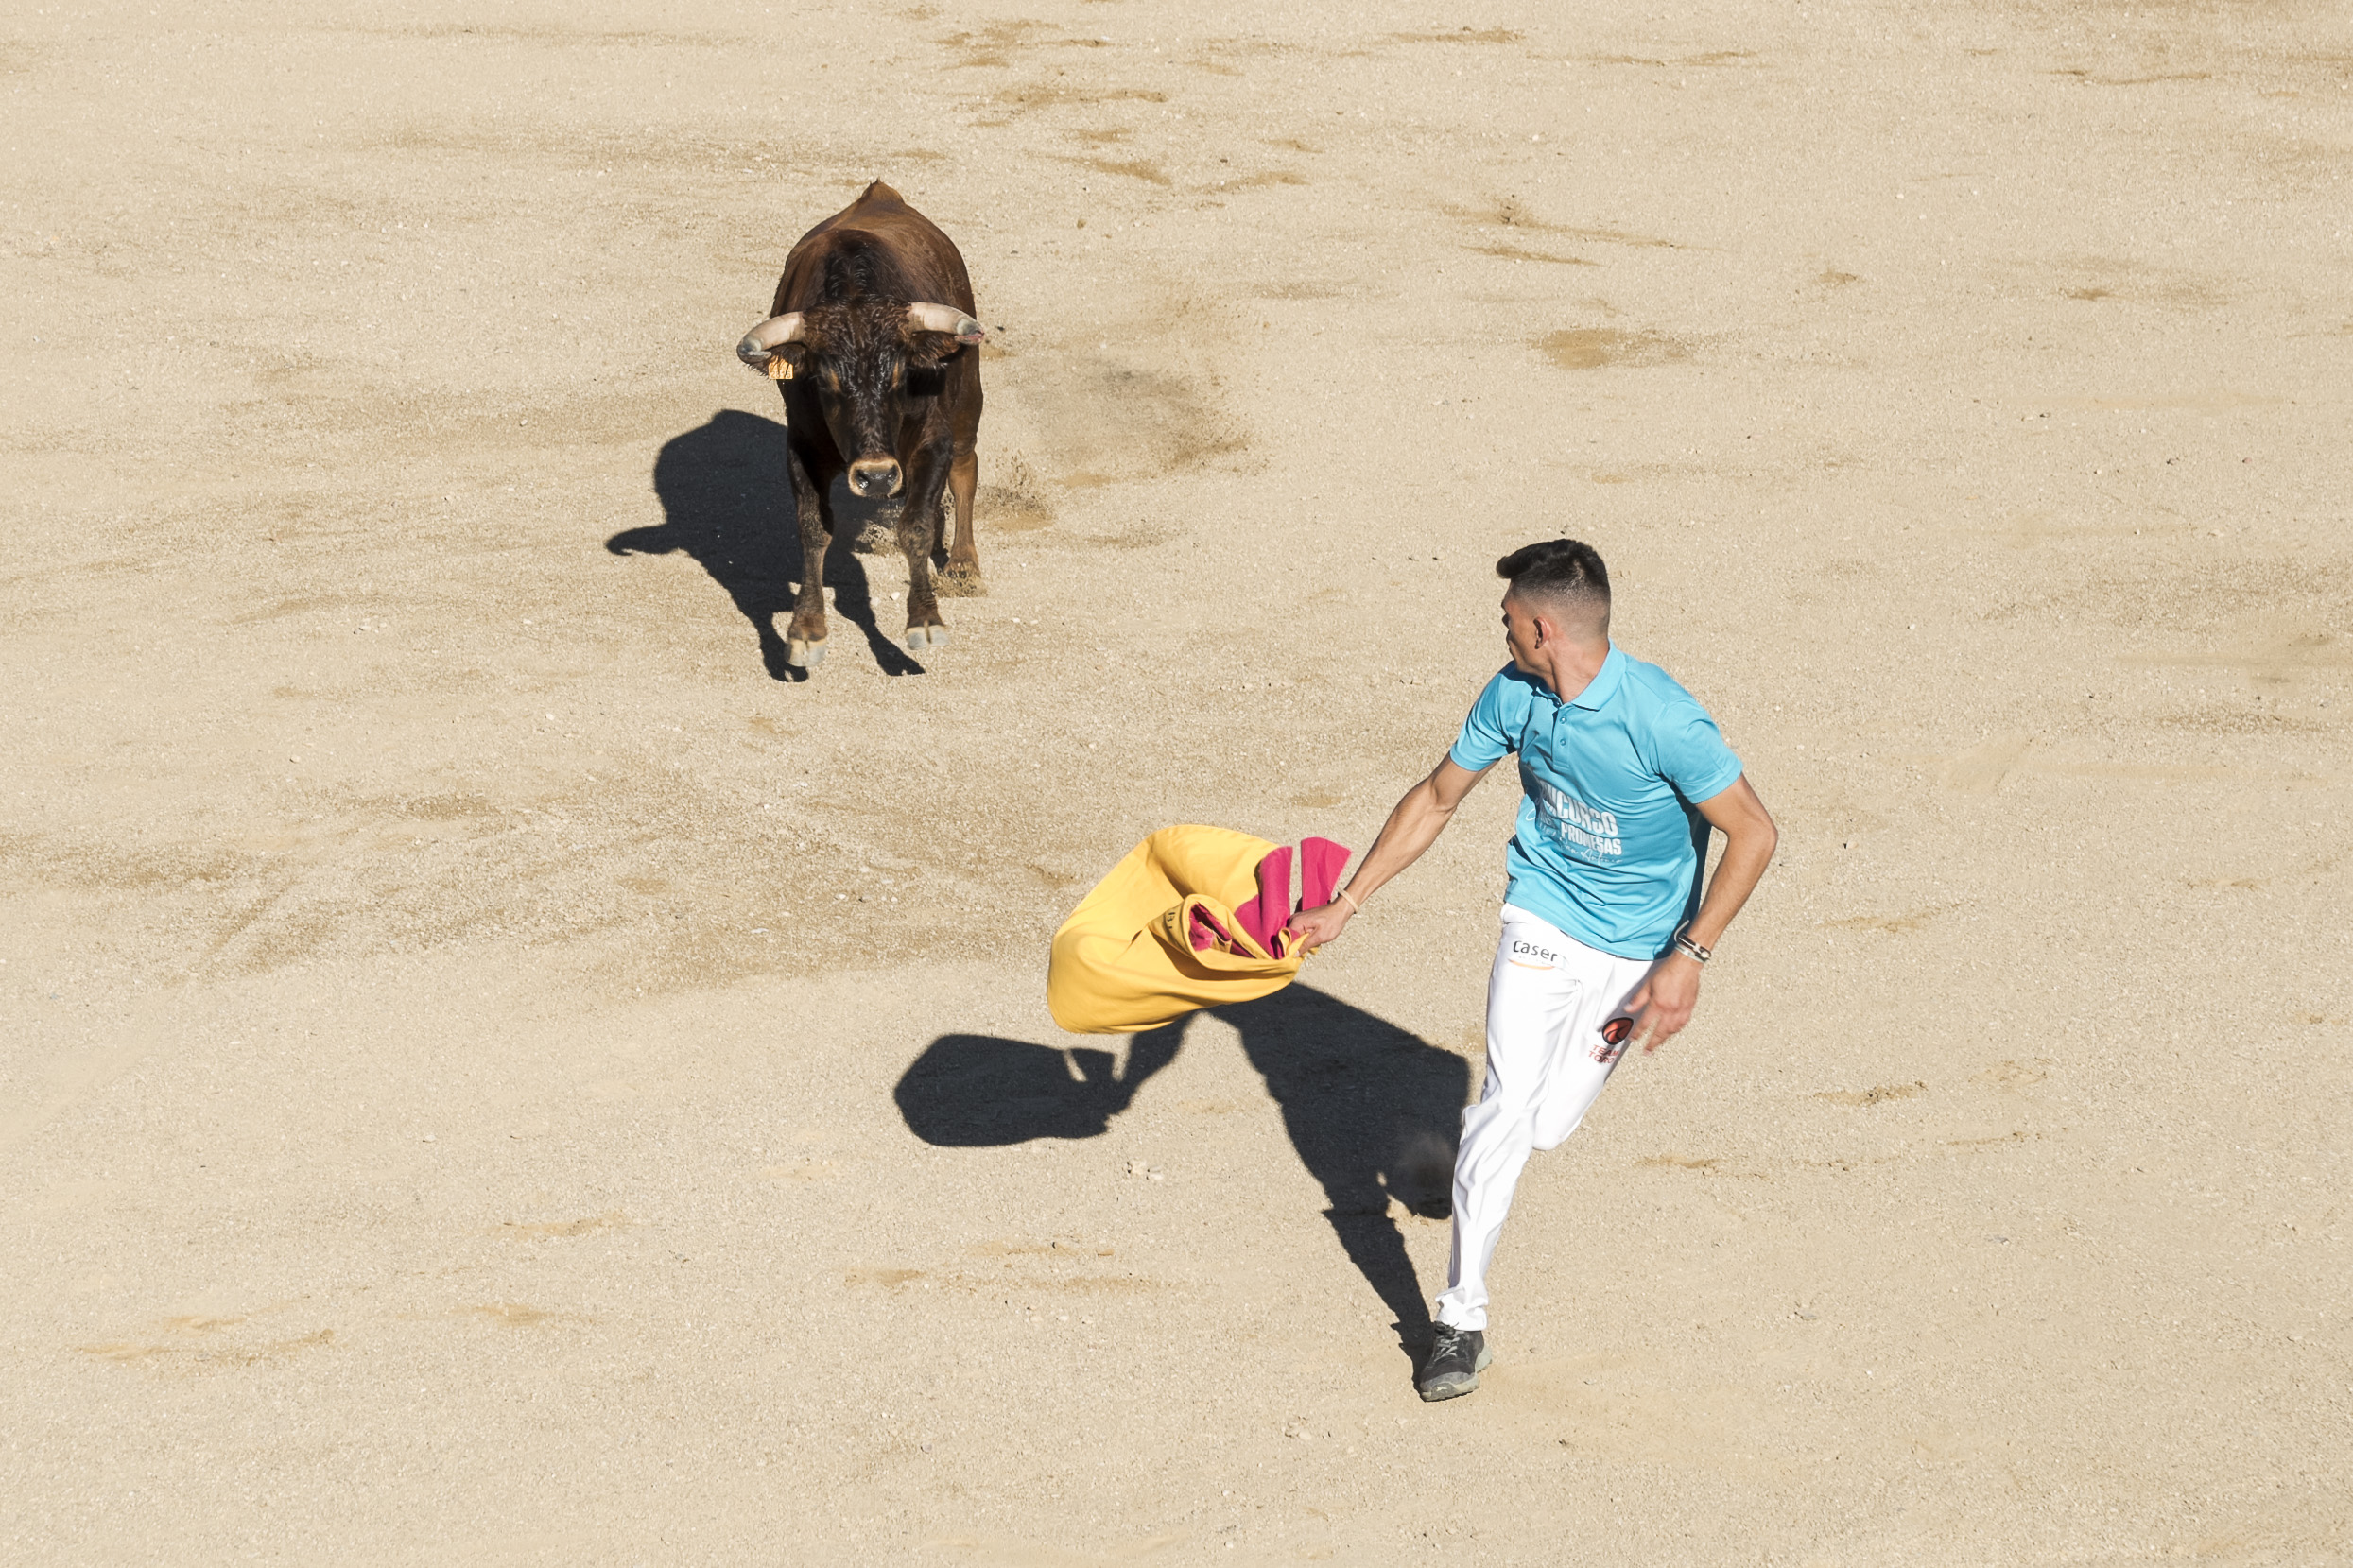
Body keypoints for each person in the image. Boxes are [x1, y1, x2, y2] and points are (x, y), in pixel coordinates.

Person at [1285, 539, 1777, 1402]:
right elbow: (1437, 796)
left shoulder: (1663, 718)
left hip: (1638, 954)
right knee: (1503, 1112)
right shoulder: (1512, 692)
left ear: (1543, 626)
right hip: (1542, 917)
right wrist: (1347, 900)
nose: (1500, 628)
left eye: (1508, 617)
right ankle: (1458, 1320)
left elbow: (1755, 832)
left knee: (1543, 1126)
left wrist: (1686, 958)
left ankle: (1488, 1171)